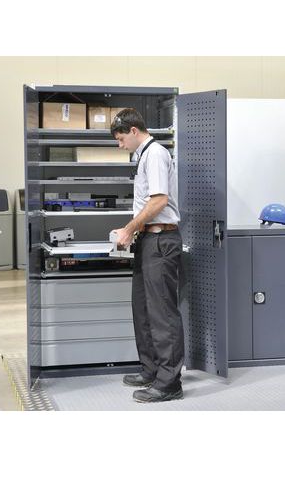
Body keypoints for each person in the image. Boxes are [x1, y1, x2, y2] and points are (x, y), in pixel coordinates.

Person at [111, 108, 184, 403]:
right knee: (142, 309)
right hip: (148, 239)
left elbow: (159, 201)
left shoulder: (154, 154)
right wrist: (133, 231)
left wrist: (129, 228)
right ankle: (151, 369)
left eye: (120, 139)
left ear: (133, 131)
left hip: (161, 240)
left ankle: (169, 383)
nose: (120, 145)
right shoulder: (142, 155)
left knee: (162, 313)